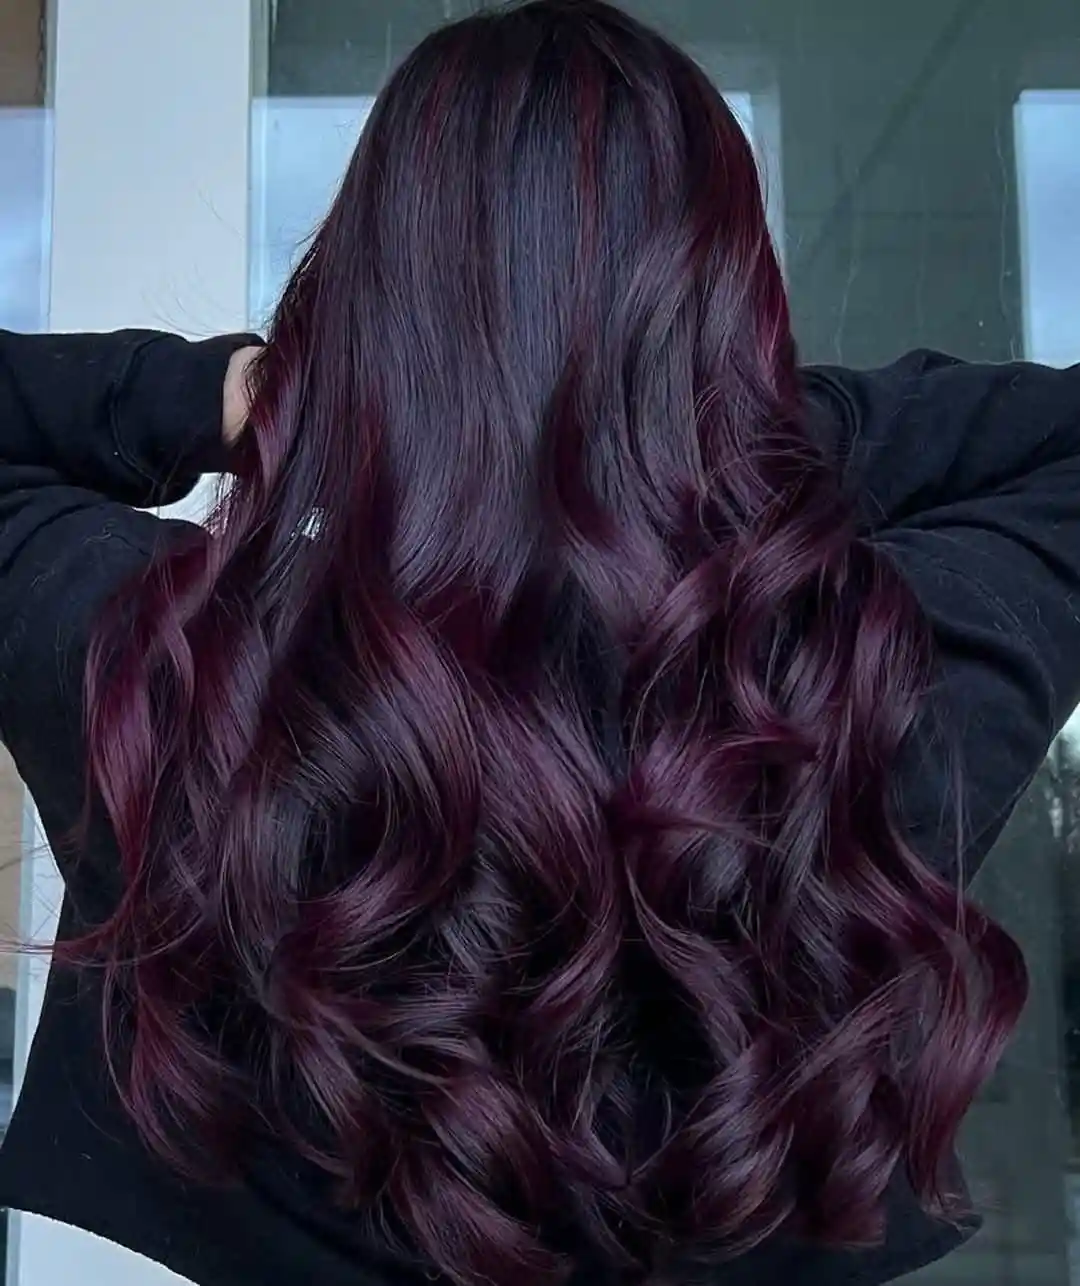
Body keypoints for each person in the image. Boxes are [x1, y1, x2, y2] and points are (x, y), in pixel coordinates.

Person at [0, 2, 1077, 1284]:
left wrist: (235, 396)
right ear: (728, 304)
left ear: (363, 299)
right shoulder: (872, 687)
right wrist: (709, 426)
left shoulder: (165, 674)